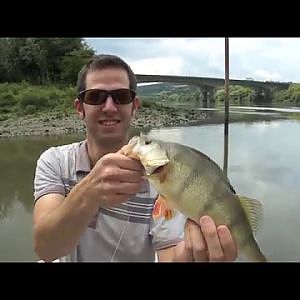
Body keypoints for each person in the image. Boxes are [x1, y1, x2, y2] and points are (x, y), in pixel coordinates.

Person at [33, 54, 238, 262]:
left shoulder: (160, 177)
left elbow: (170, 255)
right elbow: (46, 250)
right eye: (95, 97)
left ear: (134, 107)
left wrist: (197, 253)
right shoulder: (55, 162)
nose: (110, 107)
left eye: (121, 96)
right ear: (80, 108)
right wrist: (90, 191)